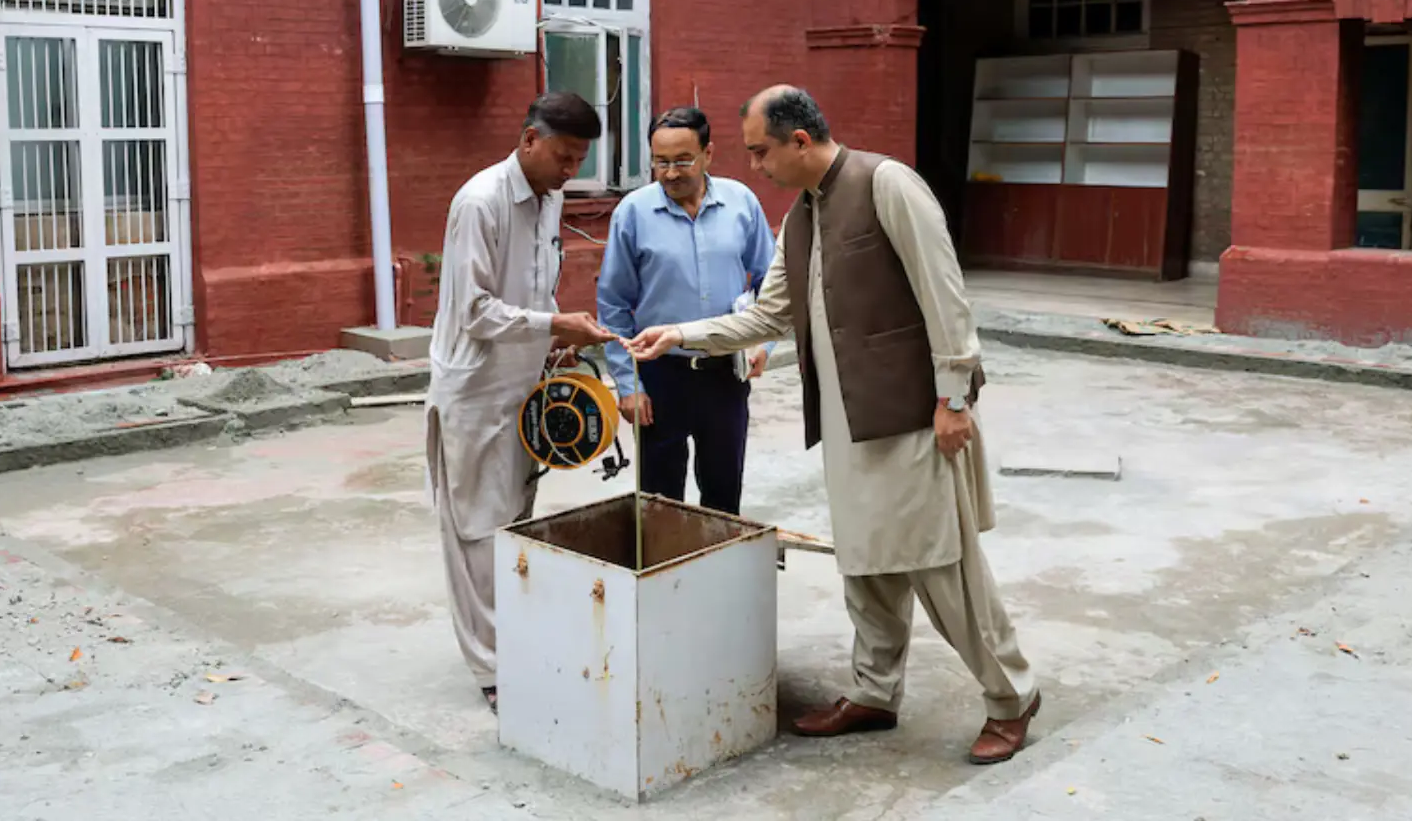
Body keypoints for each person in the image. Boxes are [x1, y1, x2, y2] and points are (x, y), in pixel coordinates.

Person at [624, 85, 1041, 765]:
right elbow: (766, 315)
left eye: (761, 151)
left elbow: (946, 293)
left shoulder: (888, 186)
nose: (754, 165)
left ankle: (1012, 697)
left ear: (799, 141)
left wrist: (954, 399)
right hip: (850, 420)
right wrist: (682, 334)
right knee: (866, 562)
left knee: (942, 567)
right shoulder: (803, 217)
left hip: (914, 415)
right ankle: (875, 692)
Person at [424, 91, 617, 715]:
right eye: (563, 156)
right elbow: (474, 311)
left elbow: (537, 285)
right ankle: (490, 669)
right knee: (476, 529)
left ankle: (517, 643)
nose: (570, 171)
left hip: (524, 381)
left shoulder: (550, 196)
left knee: (516, 521)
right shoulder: (480, 202)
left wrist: (551, 345)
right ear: (530, 140)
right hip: (475, 389)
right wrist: (555, 327)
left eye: (580, 159)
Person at [597, 106, 777, 517]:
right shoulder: (633, 213)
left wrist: (762, 343)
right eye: (661, 162)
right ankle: (664, 579)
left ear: (708, 154)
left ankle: (716, 577)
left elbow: (770, 282)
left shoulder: (741, 204)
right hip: (661, 377)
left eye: (682, 161)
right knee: (659, 505)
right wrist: (628, 385)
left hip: (725, 377)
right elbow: (613, 302)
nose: (671, 173)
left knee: (723, 497)